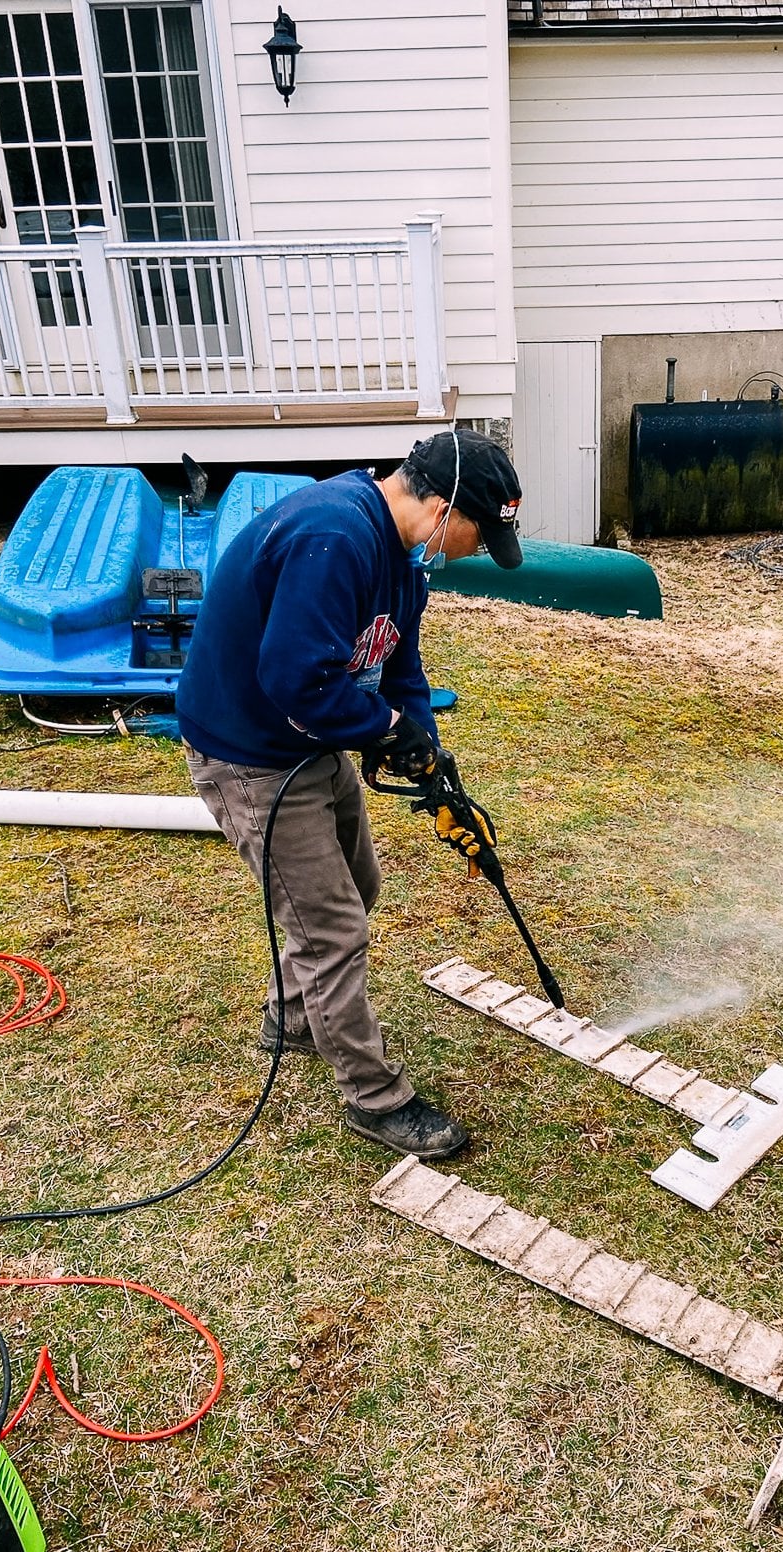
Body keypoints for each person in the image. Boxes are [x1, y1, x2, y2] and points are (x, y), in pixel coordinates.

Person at [176, 429, 523, 1159]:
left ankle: (294, 1017)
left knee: (355, 885)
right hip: (251, 755)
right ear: (442, 507)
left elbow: (400, 672)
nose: (469, 550)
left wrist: (422, 748)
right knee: (330, 927)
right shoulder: (334, 536)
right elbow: (296, 679)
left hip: (309, 740)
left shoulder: (404, 565)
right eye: (474, 533)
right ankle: (374, 1098)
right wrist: (384, 729)